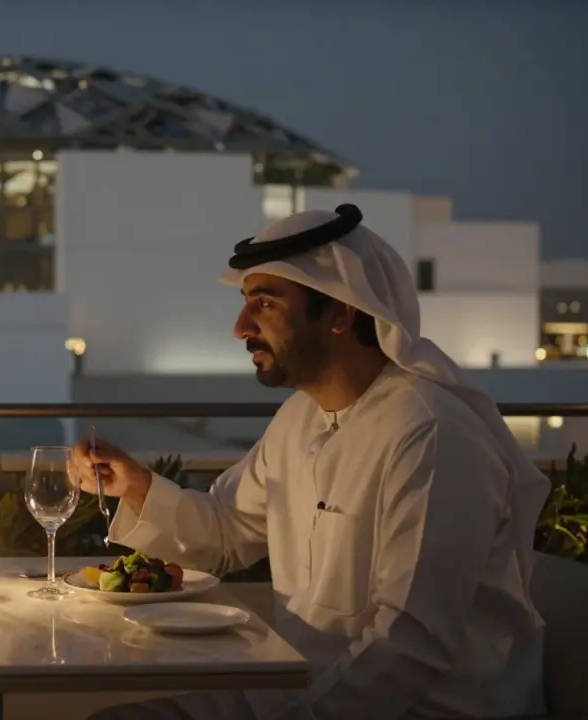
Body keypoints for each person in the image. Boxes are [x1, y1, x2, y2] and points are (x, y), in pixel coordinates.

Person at [76, 205, 550, 720]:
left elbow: (410, 647)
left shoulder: (432, 434)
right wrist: (134, 486)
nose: (240, 328)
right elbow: (229, 531)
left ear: (342, 313)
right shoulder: (301, 416)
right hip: (296, 686)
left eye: (265, 303)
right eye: (244, 302)